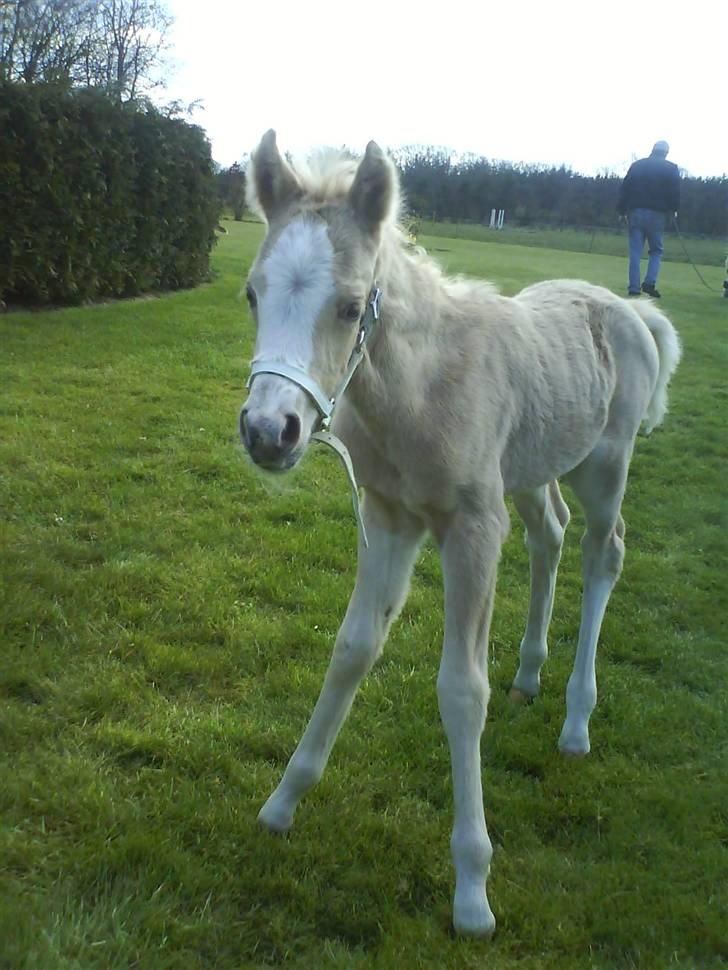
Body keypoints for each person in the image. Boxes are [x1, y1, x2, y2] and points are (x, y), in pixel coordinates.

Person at [617, 140, 680, 298]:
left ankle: (634, 288)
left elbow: (625, 188)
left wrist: (621, 211)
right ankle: (649, 283)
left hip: (635, 212)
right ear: (666, 152)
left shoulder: (637, 165)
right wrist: (673, 210)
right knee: (656, 251)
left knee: (635, 252)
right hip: (658, 215)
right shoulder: (671, 168)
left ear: (652, 150)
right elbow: (674, 192)